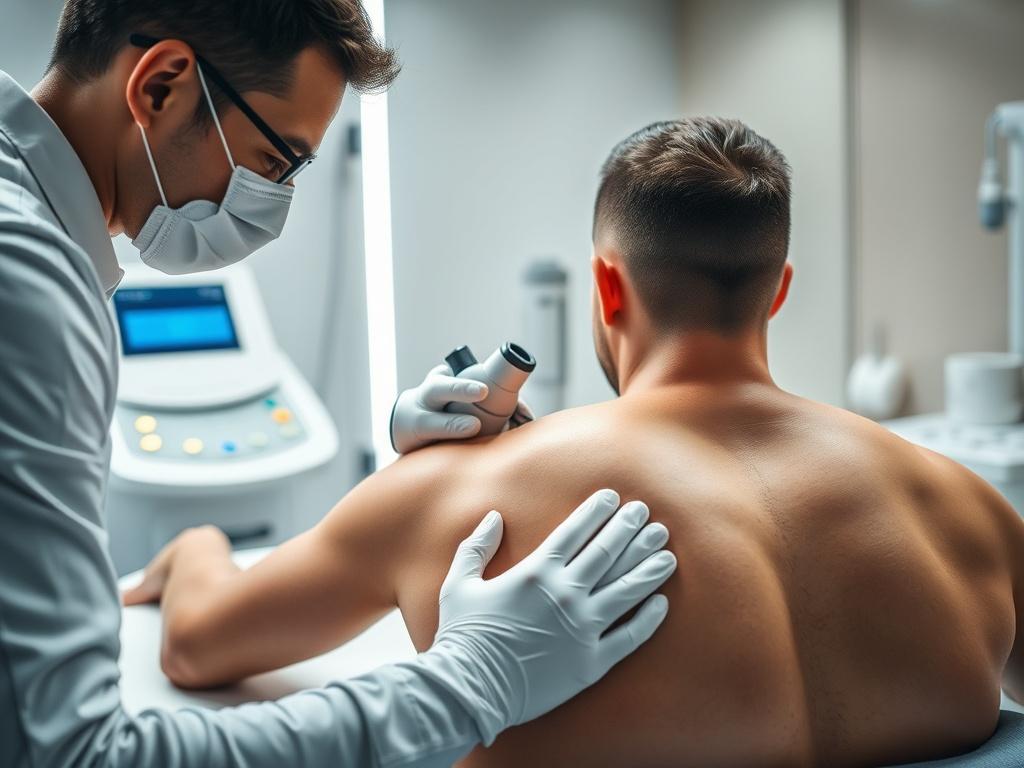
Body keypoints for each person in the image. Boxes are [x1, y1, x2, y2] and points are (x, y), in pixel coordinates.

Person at [129, 117, 1024, 768]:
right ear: (778, 289)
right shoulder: (966, 504)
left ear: (606, 285)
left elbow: (198, 647)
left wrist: (197, 549)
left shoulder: (451, 493)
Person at [0, 1, 678, 766]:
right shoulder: (26, 285)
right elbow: (77, 756)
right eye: (275, 161)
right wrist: (473, 681)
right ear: (161, 86)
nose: (273, 206)